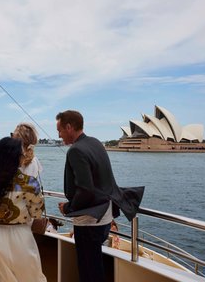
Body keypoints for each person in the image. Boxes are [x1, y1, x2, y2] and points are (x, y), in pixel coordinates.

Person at [56, 110, 144, 282]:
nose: (59, 135)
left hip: (89, 220)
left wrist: (68, 207)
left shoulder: (75, 151)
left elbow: (86, 189)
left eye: (60, 130)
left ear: (69, 127)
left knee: (88, 268)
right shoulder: (95, 142)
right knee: (95, 264)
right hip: (105, 217)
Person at [0, 137, 47, 282]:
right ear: (16, 157)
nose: (24, 156)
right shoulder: (30, 183)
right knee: (28, 276)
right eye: (22, 154)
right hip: (22, 234)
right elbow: (37, 211)